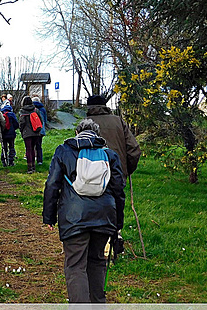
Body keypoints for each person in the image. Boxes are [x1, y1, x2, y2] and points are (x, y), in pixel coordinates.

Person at [42, 119, 126, 304]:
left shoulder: (64, 151)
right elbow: (119, 190)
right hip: (104, 217)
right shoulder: (110, 155)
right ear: (97, 134)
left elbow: (52, 185)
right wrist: (117, 224)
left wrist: (49, 217)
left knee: (75, 265)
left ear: (77, 132)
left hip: (74, 218)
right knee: (97, 261)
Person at [86, 95, 141, 181]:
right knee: (117, 194)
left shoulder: (85, 123)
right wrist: (127, 169)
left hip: (91, 175)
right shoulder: (118, 121)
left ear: (88, 107)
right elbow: (133, 149)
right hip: (118, 172)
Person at [19, 96, 42, 173]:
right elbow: (40, 121)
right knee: (33, 148)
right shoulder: (36, 110)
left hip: (27, 133)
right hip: (35, 132)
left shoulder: (22, 112)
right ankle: (34, 167)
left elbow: (22, 123)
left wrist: (21, 130)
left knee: (28, 149)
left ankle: (29, 167)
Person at [31, 96, 48, 165]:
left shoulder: (32, 109)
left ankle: (32, 159)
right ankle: (39, 160)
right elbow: (45, 120)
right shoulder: (43, 109)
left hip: (33, 129)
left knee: (32, 145)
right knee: (39, 145)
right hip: (41, 129)